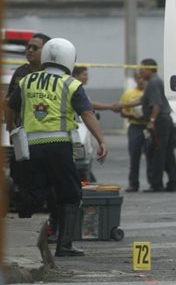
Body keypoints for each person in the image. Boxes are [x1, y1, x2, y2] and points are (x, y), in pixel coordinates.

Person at [6, 38, 107, 257]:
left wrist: (11, 127)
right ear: (69, 59)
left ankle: (18, 241)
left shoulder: (27, 81)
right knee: (70, 194)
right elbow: (87, 113)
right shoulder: (71, 84)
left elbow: (10, 106)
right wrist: (101, 140)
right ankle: (65, 245)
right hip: (58, 146)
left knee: (32, 193)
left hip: (30, 145)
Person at [5, 33, 51, 218]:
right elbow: (9, 101)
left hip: (49, 138)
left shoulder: (54, 75)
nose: (29, 50)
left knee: (51, 186)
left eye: (35, 48)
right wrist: (11, 127)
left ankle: (55, 228)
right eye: (28, 47)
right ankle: (25, 221)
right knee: (22, 181)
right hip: (23, 137)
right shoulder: (20, 73)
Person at [138, 58, 176, 192]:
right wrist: (121, 105)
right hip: (165, 120)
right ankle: (173, 182)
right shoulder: (155, 82)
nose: (140, 72)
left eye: (142, 69)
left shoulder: (154, 83)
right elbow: (143, 100)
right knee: (167, 153)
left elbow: (157, 104)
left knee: (157, 153)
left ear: (149, 69)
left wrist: (152, 121)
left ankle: (156, 184)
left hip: (160, 122)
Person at [70, 65, 99, 183]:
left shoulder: (76, 88)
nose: (87, 77)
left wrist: (113, 106)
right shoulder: (73, 87)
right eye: (84, 74)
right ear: (76, 76)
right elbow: (87, 112)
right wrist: (101, 140)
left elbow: (89, 105)